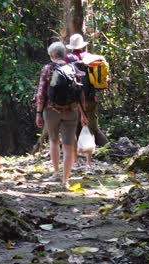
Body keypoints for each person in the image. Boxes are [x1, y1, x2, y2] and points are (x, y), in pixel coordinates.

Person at [35, 41, 88, 189]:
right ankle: (66, 180)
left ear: (51, 55)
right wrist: (83, 114)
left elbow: (41, 92)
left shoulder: (47, 69)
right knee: (68, 145)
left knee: (53, 140)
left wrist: (39, 113)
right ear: (64, 54)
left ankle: (56, 173)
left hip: (52, 110)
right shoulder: (74, 68)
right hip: (71, 111)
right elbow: (80, 94)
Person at [65, 34, 109, 170]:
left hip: (72, 101)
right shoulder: (89, 58)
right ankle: (88, 163)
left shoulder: (67, 59)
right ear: (83, 45)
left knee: (74, 130)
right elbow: (102, 60)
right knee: (89, 128)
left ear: (71, 47)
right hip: (90, 99)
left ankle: (75, 161)